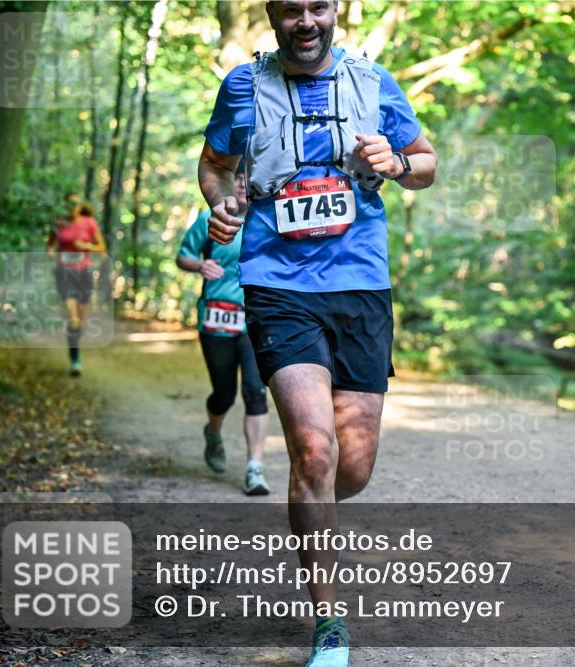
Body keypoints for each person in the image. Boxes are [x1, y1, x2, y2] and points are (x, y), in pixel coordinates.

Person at [198, 1, 437, 664]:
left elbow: (426, 164)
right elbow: (215, 162)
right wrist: (219, 202)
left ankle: (315, 509)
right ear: (273, 16)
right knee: (313, 448)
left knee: (350, 469)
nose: (305, 20)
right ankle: (329, 620)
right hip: (279, 286)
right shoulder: (244, 86)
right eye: (290, 9)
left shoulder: (374, 83)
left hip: (360, 286)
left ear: (335, 11)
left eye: (318, 6)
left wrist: (395, 163)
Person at [176, 170, 271, 496]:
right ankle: (213, 434)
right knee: (224, 395)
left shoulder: (269, 218)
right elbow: (183, 256)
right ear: (230, 185)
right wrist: (199, 266)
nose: (244, 184)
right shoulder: (210, 218)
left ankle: (254, 468)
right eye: (238, 179)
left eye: (249, 177)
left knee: (256, 392)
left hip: (256, 320)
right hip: (217, 317)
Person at [47, 196, 105, 377]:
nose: (72, 208)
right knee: (72, 317)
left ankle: (74, 350)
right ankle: (75, 360)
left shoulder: (89, 223)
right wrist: (53, 255)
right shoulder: (59, 223)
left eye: (75, 205)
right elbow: (50, 247)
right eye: (69, 205)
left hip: (83, 275)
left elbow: (101, 247)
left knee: (79, 322)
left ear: (80, 207)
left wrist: (86, 245)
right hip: (64, 274)